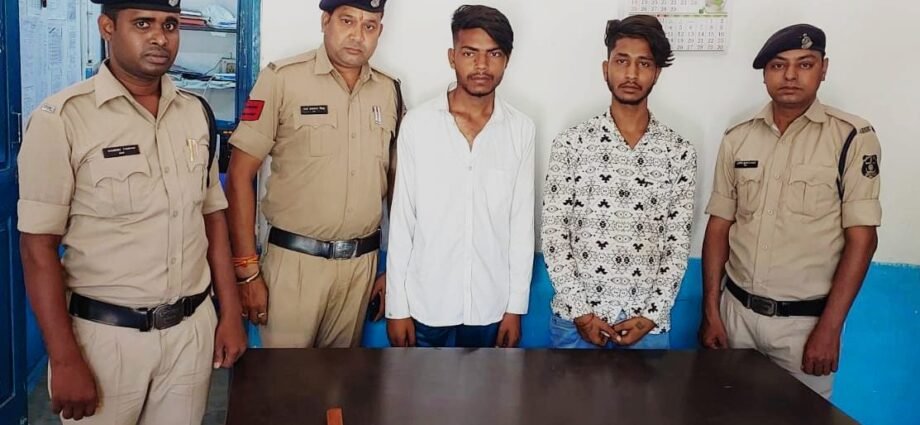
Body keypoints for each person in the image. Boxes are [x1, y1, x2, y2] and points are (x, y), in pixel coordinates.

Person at [17, 0, 247, 423]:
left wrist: (230, 312)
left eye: (170, 25)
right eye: (143, 24)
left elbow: (212, 218)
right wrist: (64, 359)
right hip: (106, 340)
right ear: (107, 27)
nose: (160, 37)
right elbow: (37, 249)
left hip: (190, 333)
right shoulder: (62, 120)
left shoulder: (196, 113)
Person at [698, 23, 881, 398]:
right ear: (765, 74)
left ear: (823, 69)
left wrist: (830, 329)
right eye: (779, 65)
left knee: (801, 418)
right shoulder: (738, 137)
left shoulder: (852, 137)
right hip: (736, 317)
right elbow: (719, 227)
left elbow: (863, 239)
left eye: (805, 64)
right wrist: (712, 311)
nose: (791, 75)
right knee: (726, 413)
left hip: (805, 327)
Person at [226, 0, 403, 348]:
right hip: (295, 266)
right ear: (325, 21)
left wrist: (393, 269)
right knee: (284, 379)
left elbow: (397, 187)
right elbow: (239, 176)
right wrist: (246, 271)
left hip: (360, 269)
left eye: (369, 26)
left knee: (340, 380)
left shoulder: (388, 90)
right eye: (347, 21)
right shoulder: (282, 79)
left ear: (380, 31)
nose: (357, 35)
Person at [542, 15, 697, 350]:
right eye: (622, 61)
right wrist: (583, 314)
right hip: (574, 324)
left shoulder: (678, 152)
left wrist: (651, 315)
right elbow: (554, 234)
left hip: (647, 327)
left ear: (656, 73)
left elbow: (678, 242)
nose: (631, 74)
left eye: (644, 63)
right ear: (606, 68)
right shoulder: (572, 143)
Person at [385, 5, 535, 348]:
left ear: (507, 60)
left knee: (488, 386)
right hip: (426, 303)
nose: (481, 65)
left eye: (493, 54)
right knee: (421, 384)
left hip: (491, 306)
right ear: (452, 57)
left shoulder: (520, 130)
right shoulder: (418, 125)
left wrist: (515, 308)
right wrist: (397, 308)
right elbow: (403, 219)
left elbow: (520, 225)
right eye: (470, 53)